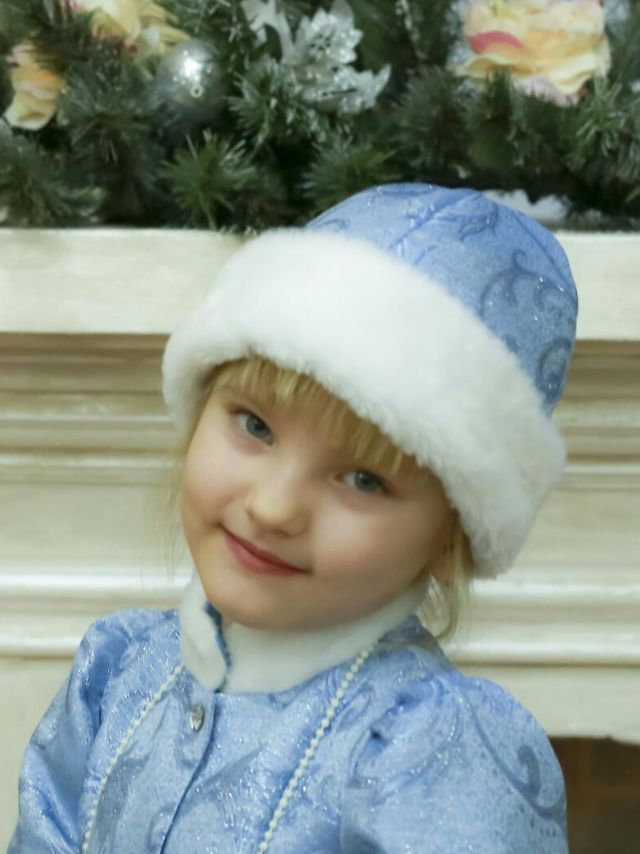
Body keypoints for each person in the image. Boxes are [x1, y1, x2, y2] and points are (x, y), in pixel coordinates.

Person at [9, 183, 577, 852]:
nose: (273, 507)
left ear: (449, 538)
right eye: (255, 425)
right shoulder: (117, 672)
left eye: (363, 479)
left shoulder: (433, 751)